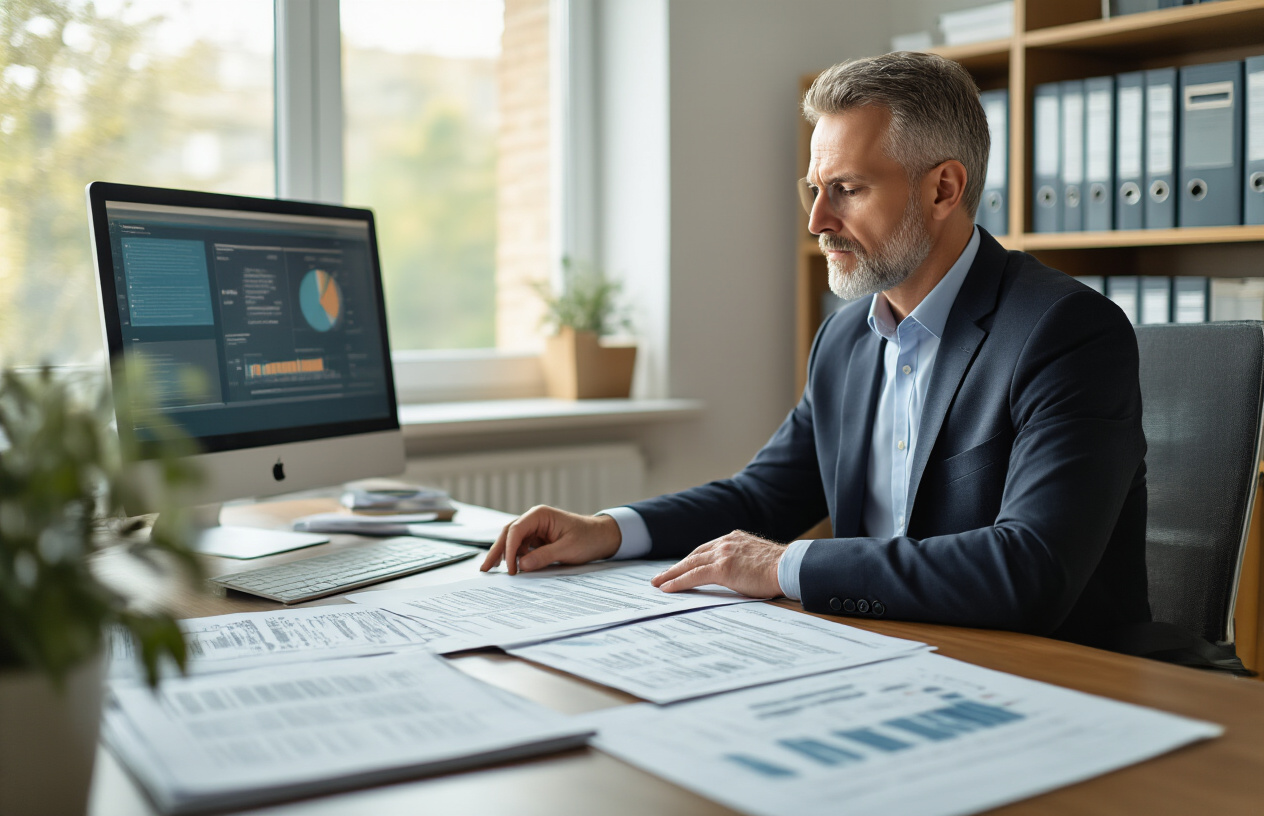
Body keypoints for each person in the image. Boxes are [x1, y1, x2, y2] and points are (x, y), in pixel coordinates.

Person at [481, 51, 1150, 646]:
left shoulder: (1066, 332)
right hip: (880, 648)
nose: (817, 222)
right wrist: (608, 530)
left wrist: (781, 567)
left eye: (847, 190)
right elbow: (763, 497)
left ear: (944, 188)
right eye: (814, 190)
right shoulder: (845, 335)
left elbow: (1031, 568)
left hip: (1049, 672)